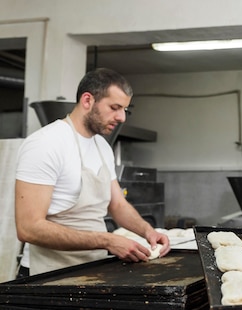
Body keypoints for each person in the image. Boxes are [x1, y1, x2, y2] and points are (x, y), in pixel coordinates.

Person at [15, 68, 170, 276]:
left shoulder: (102, 146)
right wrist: (107, 240)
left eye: (124, 109)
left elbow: (118, 205)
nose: (122, 117)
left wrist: (148, 231)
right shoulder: (46, 143)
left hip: (93, 269)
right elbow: (28, 228)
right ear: (87, 100)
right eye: (115, 107)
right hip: (49, 274)